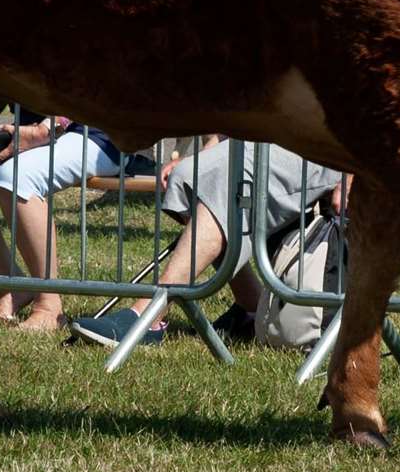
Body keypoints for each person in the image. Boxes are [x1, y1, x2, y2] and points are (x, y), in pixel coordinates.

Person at [67, 137, 343, 347]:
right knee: (187, 175)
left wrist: (353, 174)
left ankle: (148, 314)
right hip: (267, 137)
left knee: (225, 181)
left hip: (328, 146)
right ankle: (251, 306)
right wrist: (206, 151)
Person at [0, 114, 146, 331]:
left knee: (18, 176)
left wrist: (47, 128)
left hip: (96, 135)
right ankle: (12, 285)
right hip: (24, 132)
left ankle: (49, 306)